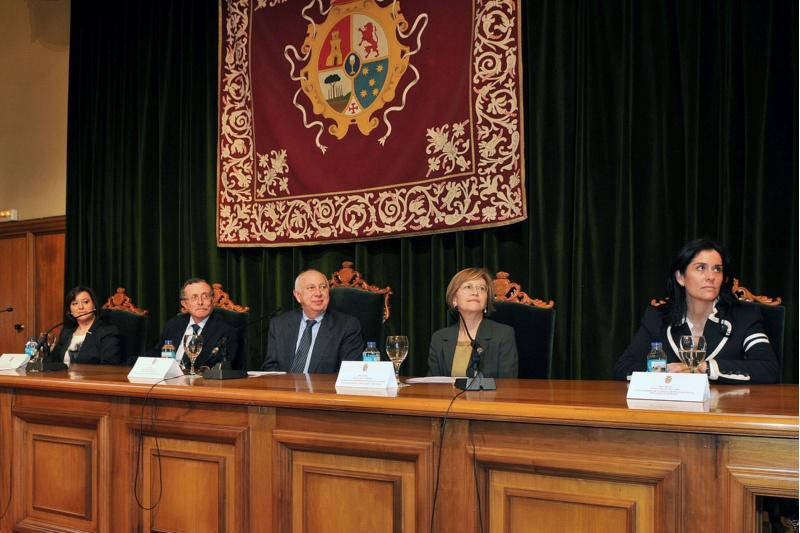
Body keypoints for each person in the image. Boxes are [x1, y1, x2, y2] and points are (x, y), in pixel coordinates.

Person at [614, 239, 779, 383]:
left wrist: (708, 369)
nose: (711, 276)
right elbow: (623, 368)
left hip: (724, 412)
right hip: (671, 412)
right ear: (681, 277)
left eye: (717, 269)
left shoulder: (745, 316)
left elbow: (768, 368)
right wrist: (664, 371)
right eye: (701, 268)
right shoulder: (657, 317)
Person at [261, 269, 363, 373]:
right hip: (283, 388)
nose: (318, 293)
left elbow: (347, 373)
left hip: (322, 389)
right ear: (298, 295)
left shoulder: (347, 326)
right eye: (311, 288)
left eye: (323, 287)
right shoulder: (279, 324)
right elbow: (271, 369)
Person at [428, 268, 518, 378]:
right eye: (468, 287)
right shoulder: (439, 338)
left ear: (486, 301)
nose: (475, 292)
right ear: (454, 299)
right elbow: (432, 386)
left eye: (481, 288)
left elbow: (508, 386)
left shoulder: (503, 334)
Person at [146, 278, 241, 369]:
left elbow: (222, 366)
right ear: (184, 304)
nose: (200, 302)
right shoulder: (174, 324)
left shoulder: (226, 330)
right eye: (194, 297)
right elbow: (158, 352)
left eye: (205, 297)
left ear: (212, 300)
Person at [52, 285, 121, 365]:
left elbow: (109, 366)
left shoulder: (107, 331)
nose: (80, 307)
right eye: (75, 303)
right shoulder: (67, 331)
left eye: (85, 302)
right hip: (62, 377)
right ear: (70, 310)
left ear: (94, 305)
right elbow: (54, 361)